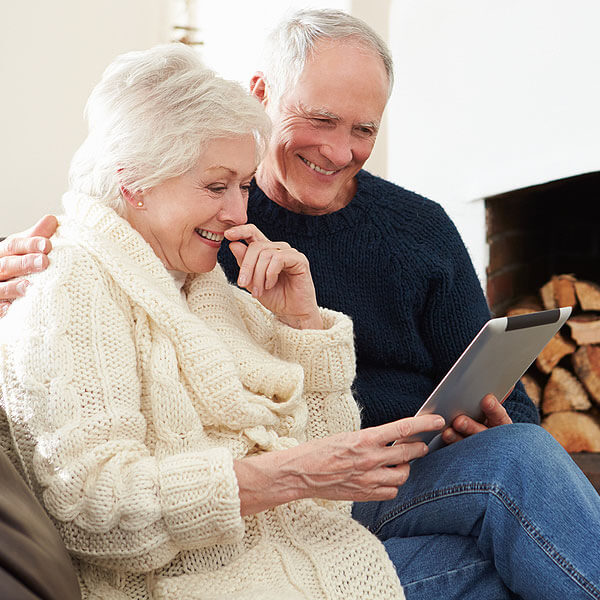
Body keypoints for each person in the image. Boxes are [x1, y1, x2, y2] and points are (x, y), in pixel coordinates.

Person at [2, 14, 600, 600]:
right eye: (219, 187)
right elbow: (97, 500)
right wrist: (298, 471)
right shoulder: (98, 272)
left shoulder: (203, 275)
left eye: (363, 129)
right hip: (260, 540)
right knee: (501, 555)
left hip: (336, 503)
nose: (240, 211)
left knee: (516, 463)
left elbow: (303, 446)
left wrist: (305, 329)